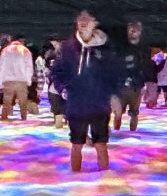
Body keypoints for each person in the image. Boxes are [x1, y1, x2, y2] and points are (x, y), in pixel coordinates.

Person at [50, 10, 119, 172]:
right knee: (76, 144)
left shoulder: (106, 48)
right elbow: (57, 72)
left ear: (95, 22)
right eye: (80, 18)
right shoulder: (67, 47)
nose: (83, 21)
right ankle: (75, 180)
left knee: (101, 144)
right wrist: (64, 90)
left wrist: (114, 96)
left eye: (87, 18)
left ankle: (105, 181)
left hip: (99, 103)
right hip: (76, 103)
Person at [112, 19, 151, 131]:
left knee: (133, 113)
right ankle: (117, 133)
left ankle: (131, 134)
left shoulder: (142, 48)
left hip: (135, 86)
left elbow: (145, 65)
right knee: (118, 113)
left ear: (140, 31)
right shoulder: (120, 46)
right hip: (121, 86)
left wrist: (143, 82)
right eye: (130, 30)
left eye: (135, 30)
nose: (132, 32)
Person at [0, 34, 34, 121]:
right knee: (23, 103)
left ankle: (4, 119)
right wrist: (29, 80)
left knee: (6, 103)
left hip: (8, 80)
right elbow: (29, 67)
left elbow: (1, 67)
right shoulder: (25, 50)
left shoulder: (5, 50)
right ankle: (23, 119)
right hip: (22, 80)